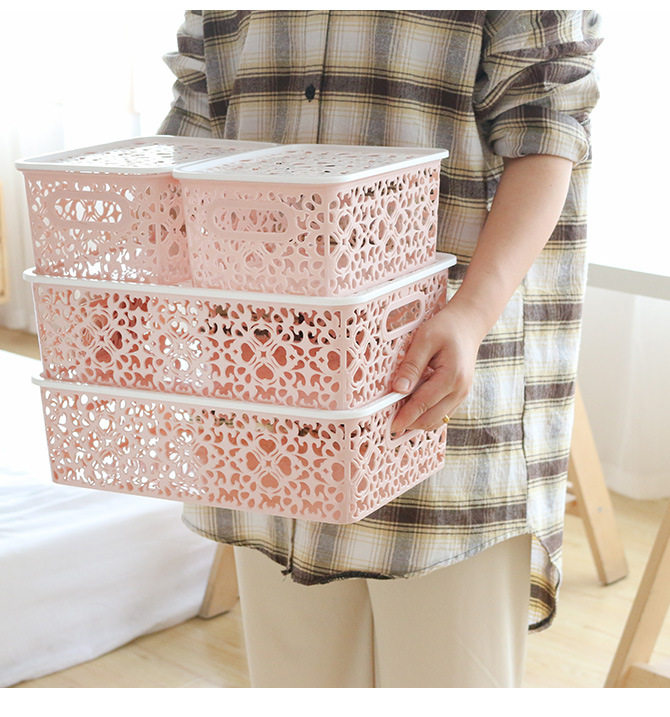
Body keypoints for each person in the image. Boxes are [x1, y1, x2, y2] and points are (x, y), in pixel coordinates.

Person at [159, 10, 602, 688]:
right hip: (269, 380)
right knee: (296, 682)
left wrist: (471, 313)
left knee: (445, 681)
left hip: (436, 378)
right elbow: (196, 117)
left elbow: (548, 130)